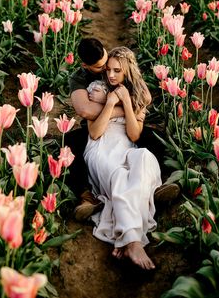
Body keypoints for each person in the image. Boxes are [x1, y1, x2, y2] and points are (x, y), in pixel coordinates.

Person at [66, 38, 180, 221]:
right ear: (85, 65)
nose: (106, 71)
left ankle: (155, 187)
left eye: (106, 63)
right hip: (98, 124)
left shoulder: (115, 61)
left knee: (155, 139)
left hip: (125, 121)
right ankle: (87, 196)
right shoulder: (79, 77)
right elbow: (85, 110)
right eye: (99, 67)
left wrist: (125, 106)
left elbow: (145, 97)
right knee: (70, 145)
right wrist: (120, 105)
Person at [84, 46, 162, 270]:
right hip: (100, 149)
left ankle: (123, 233)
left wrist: (127, 102)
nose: (111, 75)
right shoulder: (97, 89)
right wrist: (109, 103)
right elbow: (95, 132)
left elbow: (135, 134)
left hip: (125, 146)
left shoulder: (136, 96)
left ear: (127, 72)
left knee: (144, 158)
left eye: (117, 71)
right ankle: (133, 241)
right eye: (108, 69)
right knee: (120, 175)